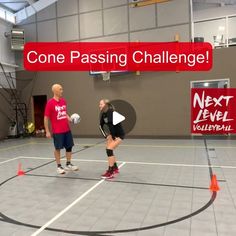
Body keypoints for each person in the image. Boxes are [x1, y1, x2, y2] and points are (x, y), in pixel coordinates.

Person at [44, 84, 78, 174]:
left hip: (66, 129)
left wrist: (70, 119)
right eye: (60, 89)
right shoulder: (50, 103)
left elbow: (65, 113)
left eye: (62, 89)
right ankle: (59, 166)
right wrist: (47, 131)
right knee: (58, 148)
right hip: (57, 131)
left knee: (69, 147)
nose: (62, 91)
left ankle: (68, 164)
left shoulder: (63, 101)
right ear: (55, 91)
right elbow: (46, 118)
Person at [99, 99, 125, 179]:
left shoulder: (110, 112)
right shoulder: (104, 114)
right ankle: (115, 168)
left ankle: (111, 172)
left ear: (106, 105)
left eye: (101, 104)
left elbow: (112, 126)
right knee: (109, 150)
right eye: (99, 104)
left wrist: (113, 137)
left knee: (109, 149)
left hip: (119, 134)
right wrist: (106, 136)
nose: (99, 106)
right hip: (113, 134)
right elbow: (100, 126)